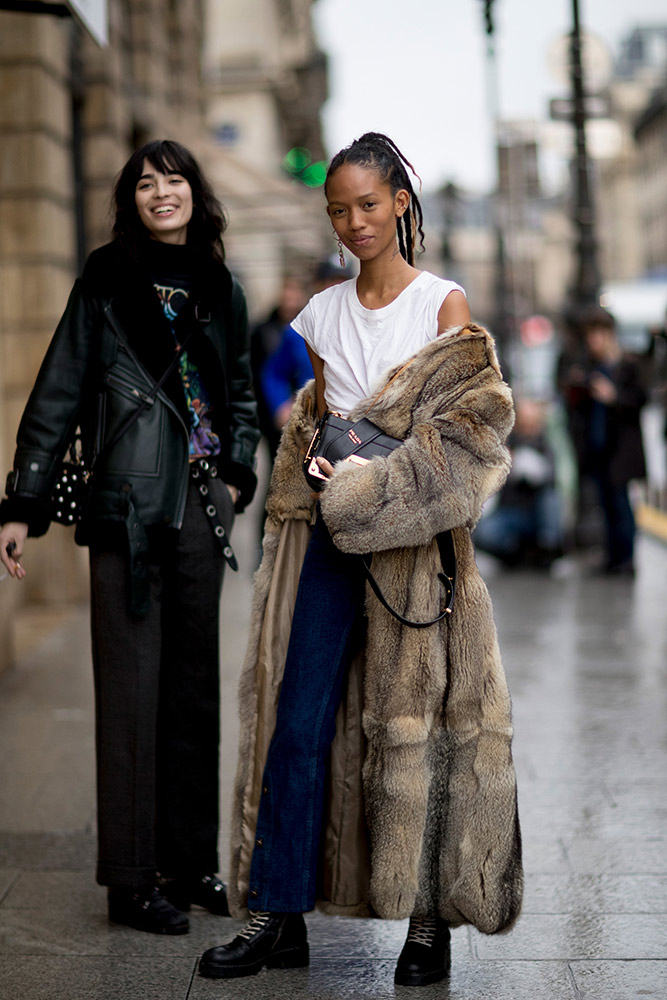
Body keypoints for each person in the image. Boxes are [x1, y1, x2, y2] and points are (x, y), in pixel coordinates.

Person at [198, 132, 522, 987]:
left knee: (415, 732)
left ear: (401, 204)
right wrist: (316, 461)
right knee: (296, 723)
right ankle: (278, 911)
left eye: (368, 205)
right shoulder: (318, 313)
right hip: (330, 546)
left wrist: (371, 479)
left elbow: (464, 443)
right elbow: (314, 421)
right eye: (338, 209)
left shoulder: (444, 306)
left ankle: (427, 924)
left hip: (419, 553)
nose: (353, 223)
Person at [0, 140, 259, 934]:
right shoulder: (106, 279)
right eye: (145, 183)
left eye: (173, 179)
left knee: (191, 689)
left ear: (194, 194)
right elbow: (58, 389)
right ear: (132, 200)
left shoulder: (221, 287)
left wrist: (239, 470)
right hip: (125, 511)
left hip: (199, 509)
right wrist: (21, 503)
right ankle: (130, 878)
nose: (160, 192)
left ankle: (191, 864)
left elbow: (240, 390)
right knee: (129, 695)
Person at [560, 305, 646, 575]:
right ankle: (613, 557)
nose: (593, 342)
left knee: (622, 504)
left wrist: (613, 397)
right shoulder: (589, 367)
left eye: (598, 335)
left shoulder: (627, 365)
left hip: (620, 449)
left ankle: (628, 559)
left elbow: (639, 401)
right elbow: (575, 408)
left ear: (609, 335)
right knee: (605, 504)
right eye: (590, 336)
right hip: (596, 447)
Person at [474, 397, 564, 568]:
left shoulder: (546, 445)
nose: (529, 429)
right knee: (485, 532)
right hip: (511, 510)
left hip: (538, 512)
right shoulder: (507, 444)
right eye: (525, 424)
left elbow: (554, 478)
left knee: (552, 499)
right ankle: (516, 553)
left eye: (533, 424)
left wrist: (538, 470)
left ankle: (547, 548)